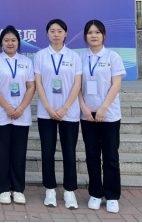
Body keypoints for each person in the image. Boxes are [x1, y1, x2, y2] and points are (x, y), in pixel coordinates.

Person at [79, 20, 126, 214]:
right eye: (90, 32)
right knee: (91, 156)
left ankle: (112, 196)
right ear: (85, 36)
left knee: (111, 156)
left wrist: (104, 108)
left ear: (104, 35)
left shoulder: (113, 57)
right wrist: (83, 107)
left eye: (97, 32)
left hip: (109, 115)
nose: (94, 35)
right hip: (87, 115)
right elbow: (76, 86)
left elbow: (116, 84)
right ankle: (95, 193)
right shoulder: (80, 57)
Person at [34, 19, 82, 210]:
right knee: (47, 152)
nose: (56, 34)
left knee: (69, 152)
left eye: (59, 31)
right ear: (47, 34)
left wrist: (64, 108)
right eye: (52, 31)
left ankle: (69, 191)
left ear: (65, 34)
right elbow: (38, 83)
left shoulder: (74, 56)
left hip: (69, 112)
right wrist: (48, 107)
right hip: (46, 112)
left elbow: (77, 84)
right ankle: (50, 189)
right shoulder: (40, 56)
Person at [0, 26, 36, 205]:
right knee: (1, 153)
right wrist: (7, 107)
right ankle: (3, 189)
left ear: (18, 43)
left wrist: (21, 108)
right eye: (6, 40)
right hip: (1, 114)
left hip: (22, 115)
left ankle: (18, 189)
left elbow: (31, 86)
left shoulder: (26, 62)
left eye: (13, 40)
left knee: (19, 153)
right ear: (1, 43)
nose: (10, 43)